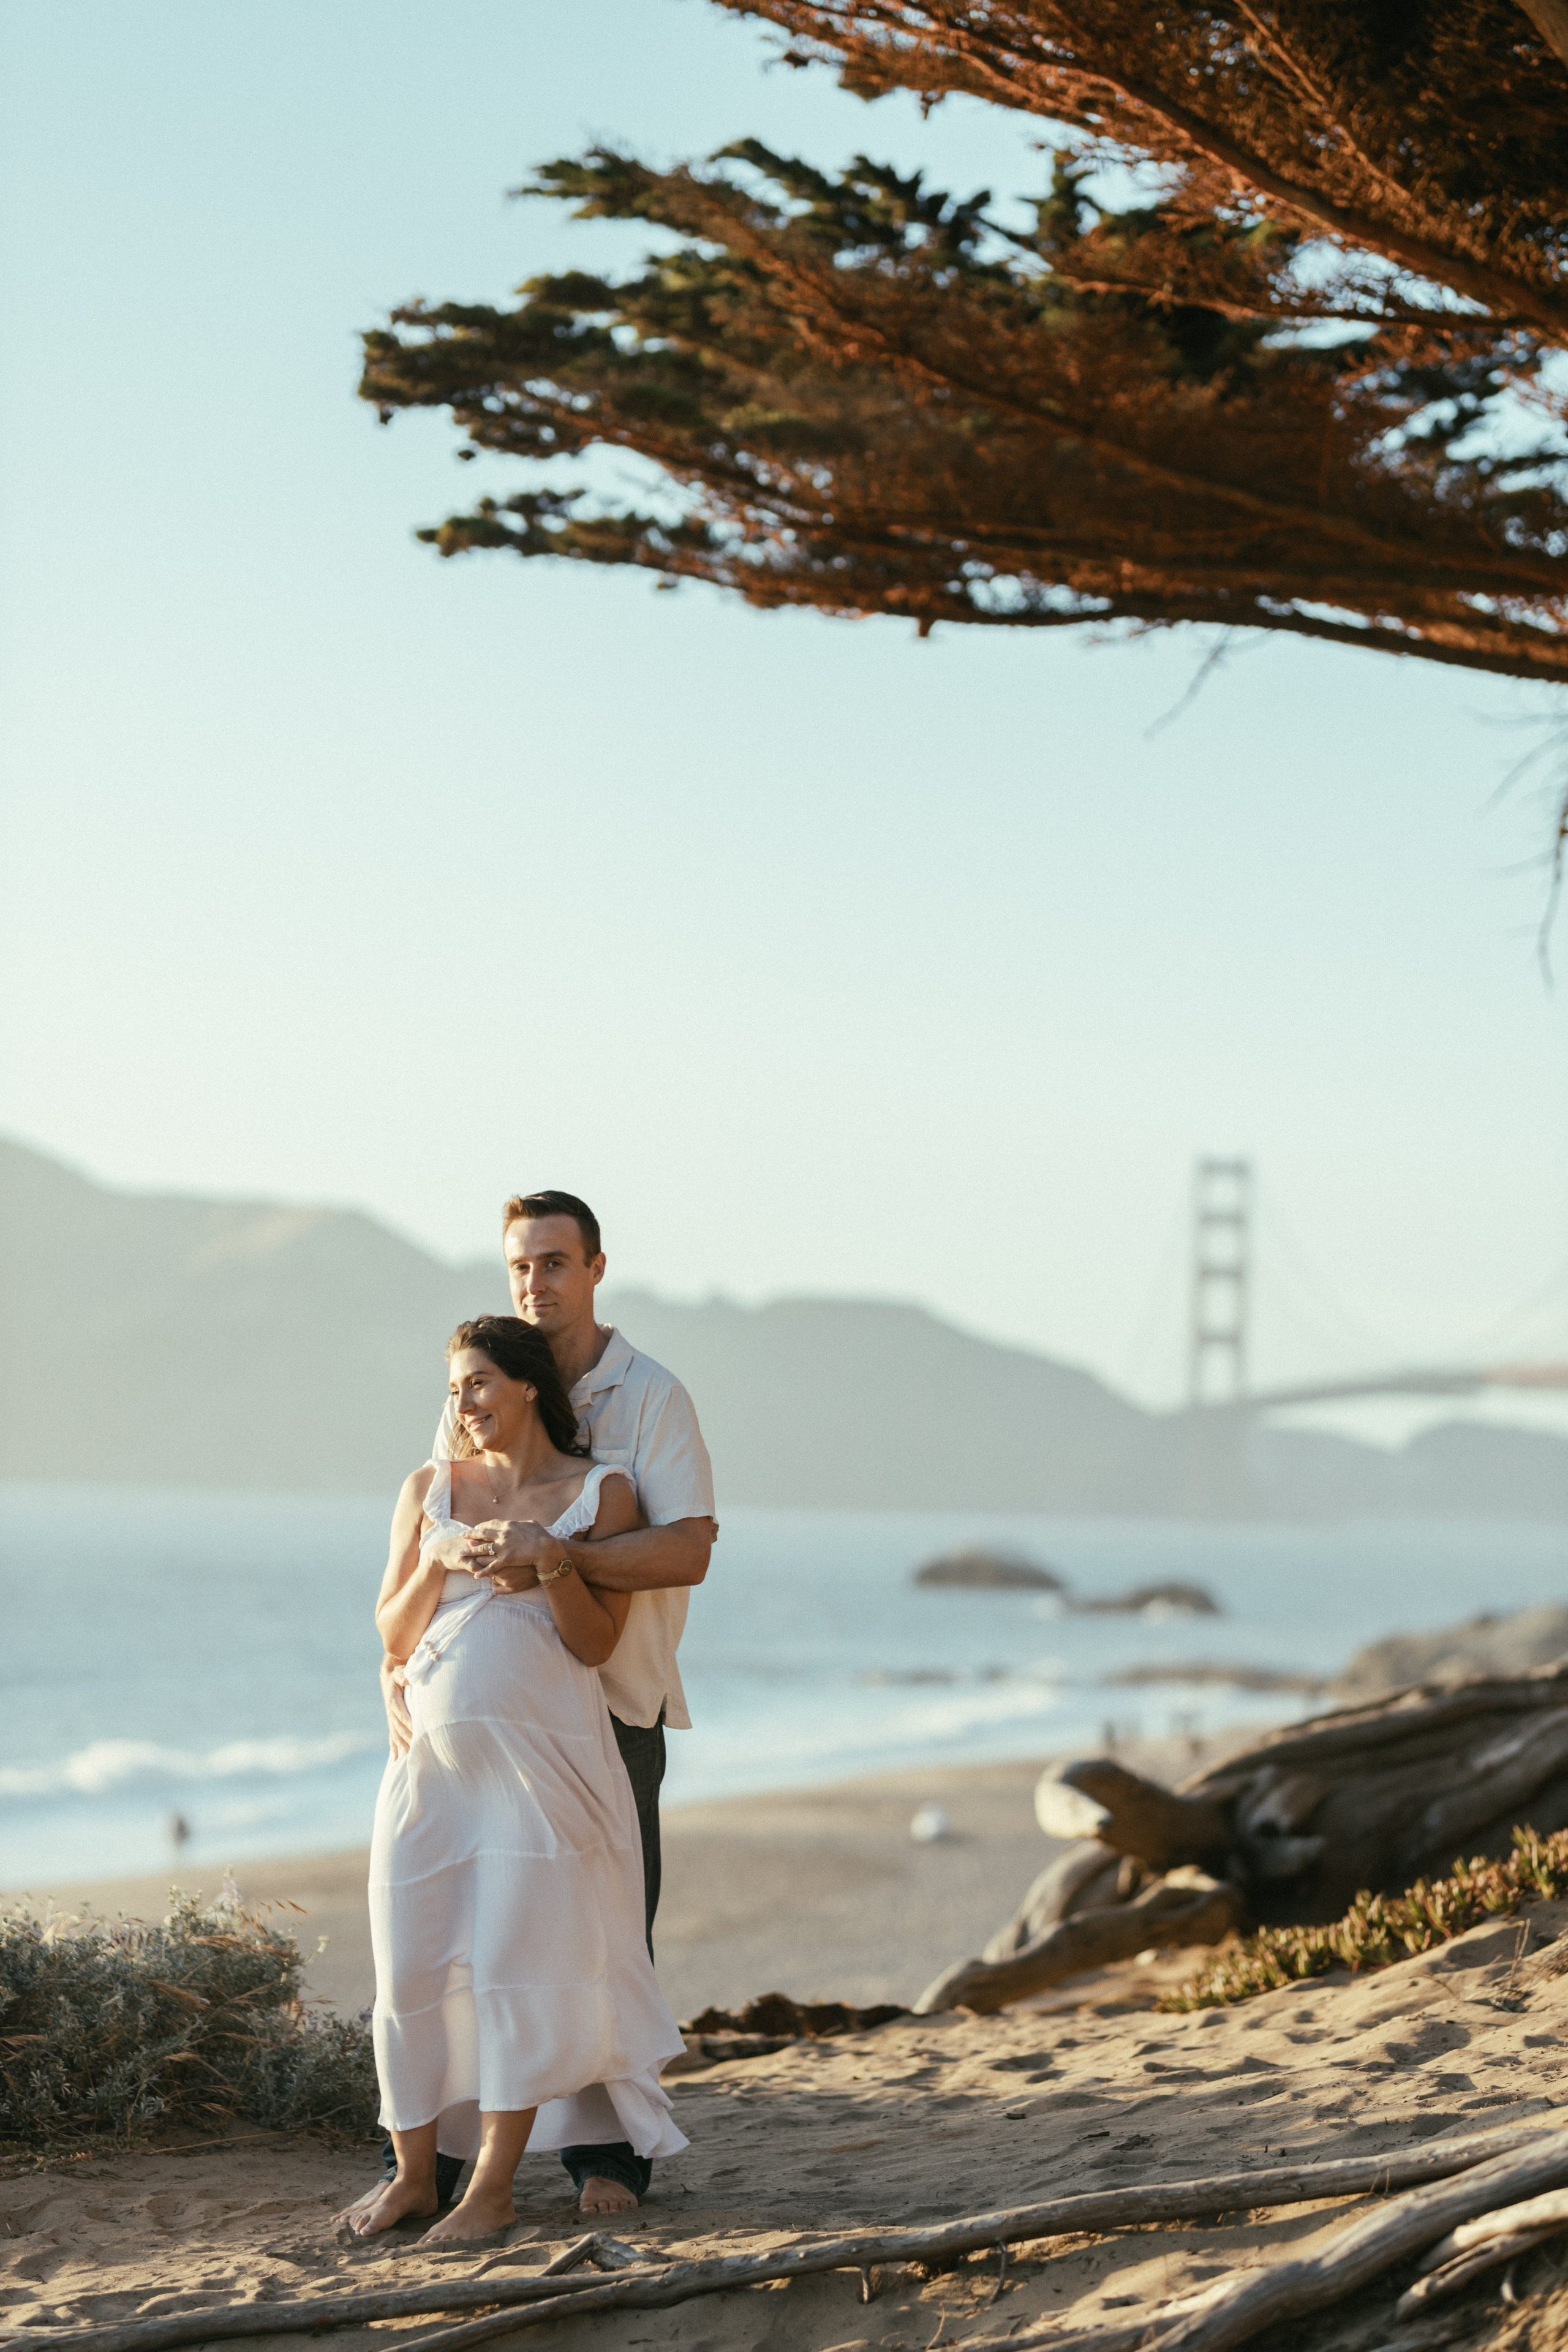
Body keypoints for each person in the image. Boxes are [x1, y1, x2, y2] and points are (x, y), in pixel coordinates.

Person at [382, 1188, 716, 2214]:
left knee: (600, 1936)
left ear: (596, 1270)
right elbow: (431, 1537)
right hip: (465, 1736)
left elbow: (687, 1547)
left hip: (611, 1699)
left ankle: (606, 2159)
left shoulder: (649, 1396)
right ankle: (434, 2168)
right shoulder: (480, 1388)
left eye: (556, 1264)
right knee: (460, 1941)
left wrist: (555, 1555)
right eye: (522, 1266)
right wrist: (398, 1685)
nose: (537, 1284)